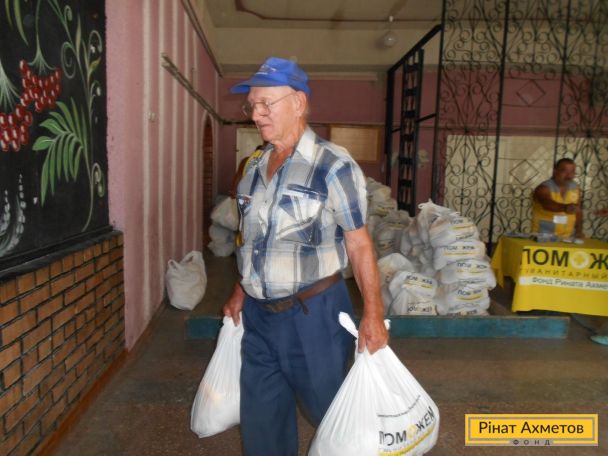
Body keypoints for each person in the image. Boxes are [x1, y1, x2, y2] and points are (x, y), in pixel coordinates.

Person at [222, 57, 389, 455]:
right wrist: (241, 291)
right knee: (261, 421)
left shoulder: (333, 165)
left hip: (314, 315)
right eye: (252, 105)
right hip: (259, 316)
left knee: (332, 417)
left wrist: (372, 313)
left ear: (298, 103)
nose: (256, 114)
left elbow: (359, 243)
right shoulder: (253, 167)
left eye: (266, 103)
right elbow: (253, 239)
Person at [531, 157, 583, 239]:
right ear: (555, 171)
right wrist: (565, 208)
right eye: (564, 171)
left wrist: (579, 231)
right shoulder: (543, 188)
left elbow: (578, 212)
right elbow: (547, 204)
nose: (569, 175)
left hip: (567, 237)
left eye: (572, 172)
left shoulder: (575, 188)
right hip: (543, 237)